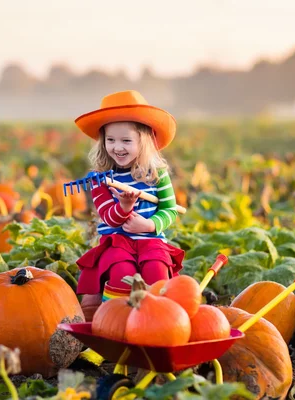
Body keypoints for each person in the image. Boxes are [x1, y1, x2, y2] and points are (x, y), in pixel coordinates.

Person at [73, 90, 185, 363]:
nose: (117, 147)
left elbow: (170, 210)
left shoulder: (157, 176)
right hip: (117, 242)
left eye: (126, 140)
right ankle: (112, 335)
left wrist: (149, 224)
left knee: (156, 273)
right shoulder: (101, 180)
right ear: (102, 142)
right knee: (120, 273)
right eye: (110, 140)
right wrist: (123, 208)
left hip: (150, 241)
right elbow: (107, 216)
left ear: (143, 141)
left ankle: (158, 332)